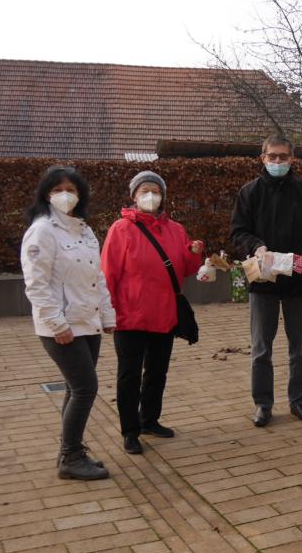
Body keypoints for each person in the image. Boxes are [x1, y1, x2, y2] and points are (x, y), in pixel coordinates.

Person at [21, 165, 115, 481]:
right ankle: (70, 457)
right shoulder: (42, 230)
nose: (65, 195)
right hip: (62, 327)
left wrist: (107, 315)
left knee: (75, 389)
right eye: (58, 189)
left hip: (87, 322)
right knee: (86, 388)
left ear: (80, 195)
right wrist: (56, 323)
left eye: (71, 189)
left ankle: (71, 449)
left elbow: (97, 277)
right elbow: (36, 284)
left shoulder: (85, 230)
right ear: (46, 194)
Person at [231, 135, 302, 427]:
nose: (277, 162)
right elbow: (238, 231)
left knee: (298, 346)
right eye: (272, 157)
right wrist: (257, 246)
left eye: (283, 157)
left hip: (297, 281)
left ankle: (298, 401)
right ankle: (263, 403)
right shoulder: (249, 192)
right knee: (261, 347)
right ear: (263, 158)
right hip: (263, 283)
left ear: (292, 159)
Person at [101, 171, 204, 455]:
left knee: (157, 371)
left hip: (164, 314)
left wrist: (194, 253)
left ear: (163, 196)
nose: (150, 196)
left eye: (155, 191)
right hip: (129, 315)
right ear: (134, 196)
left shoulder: (176, 229)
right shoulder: (120, 230)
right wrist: (105, 311)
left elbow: (186, 269)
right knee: (129, 375)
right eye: (144, 190)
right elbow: (107, 274)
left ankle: (150, 420)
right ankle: (130, 430)